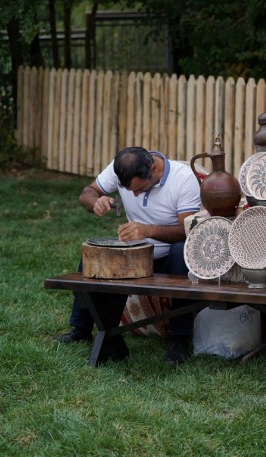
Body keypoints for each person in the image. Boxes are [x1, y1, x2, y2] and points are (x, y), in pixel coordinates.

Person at [57, 147, 202, 365]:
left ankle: (179, 339)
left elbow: (188, 230)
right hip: (134, 253)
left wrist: (148, 230)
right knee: (96, 252)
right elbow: (87, 192)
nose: (134, 195)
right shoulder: (121, 168)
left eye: (140, 189)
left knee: (180, 251)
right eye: (128, 190)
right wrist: (95, 201)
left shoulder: (183, 179)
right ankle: (81, 329)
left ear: (153, 169)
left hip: (168, 255)